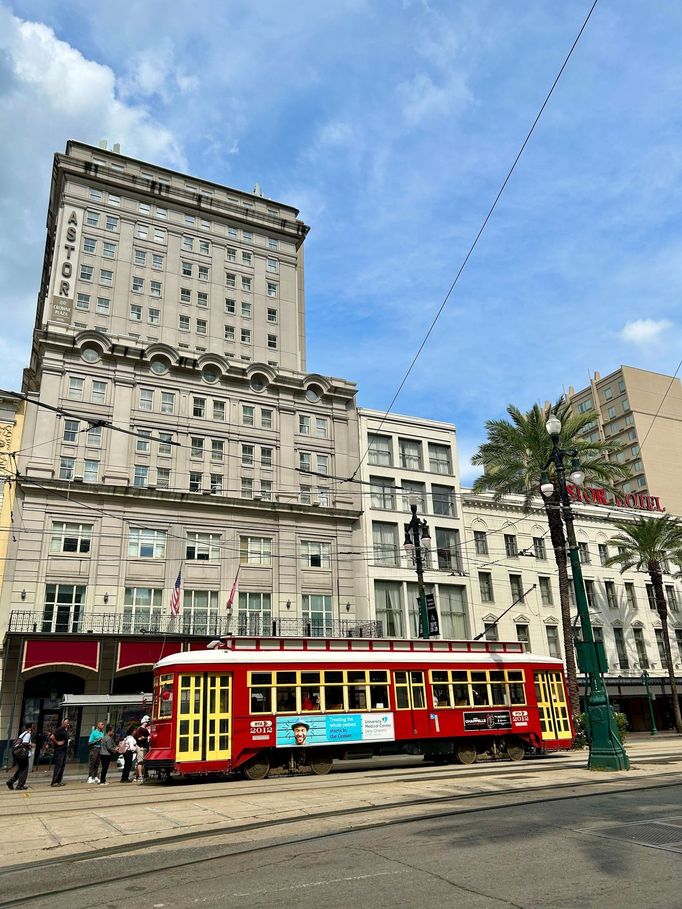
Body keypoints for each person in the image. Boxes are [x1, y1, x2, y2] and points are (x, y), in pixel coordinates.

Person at [7, 723, 33, 791]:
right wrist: (31, 745)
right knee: (24, 769)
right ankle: (20, 785)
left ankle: (11, 781)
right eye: (33, 727)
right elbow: (24, 743)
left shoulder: (22, 734)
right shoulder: (28, 734)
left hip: (17, 753)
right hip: (22, 754)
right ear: (30, 728)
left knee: (21, 769)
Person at [50, 719, 70, 787]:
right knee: (58, 766)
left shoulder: (65, 730)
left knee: (62, 766)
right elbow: (52, 737)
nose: (67, 724)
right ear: (62, 722)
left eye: (68, 723)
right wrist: (57, 742)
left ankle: (59, 781)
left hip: (64, 750)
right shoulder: (59, 729)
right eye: (66, 723)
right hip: (59, 751)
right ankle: (54, 782)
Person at [133, 716, 151, 782]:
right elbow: (138, 738)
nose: (148, 723)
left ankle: (140, 775)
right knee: (140, 762)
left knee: (141, 762)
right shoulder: (141, 729)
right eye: (148, 721)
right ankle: (140, 776)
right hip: (141, 747)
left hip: (143, 747)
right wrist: (144, 738)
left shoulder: (142, 729)